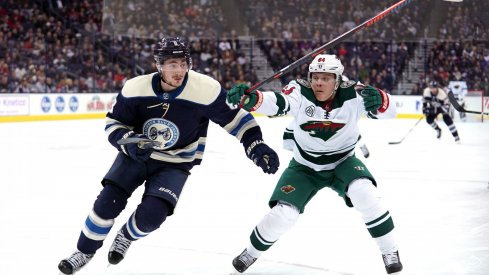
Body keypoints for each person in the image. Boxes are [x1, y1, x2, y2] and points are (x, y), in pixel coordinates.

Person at [57, 37, 280, 275]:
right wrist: (130, 144)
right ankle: (84, 252)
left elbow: (238, 120)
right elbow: (114, 123)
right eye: (172, 64)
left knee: (151, 218)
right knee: (106, 205)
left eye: (183, 63)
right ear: (159, 65)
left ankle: (125, 236)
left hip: (175, 163)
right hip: (135, 156)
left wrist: (256, 145)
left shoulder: (205, 89)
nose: (179, 70)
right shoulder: (135, 88)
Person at [226, 54, 403, 274]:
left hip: (343, 161)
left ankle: (389, 250)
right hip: (304, 166)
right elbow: (279, 103)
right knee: (283, 215)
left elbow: (392, 112)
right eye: (315, 77)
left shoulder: (354, 93)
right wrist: (255, 100)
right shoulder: (300, 91)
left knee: (364, 192)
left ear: (337, 80)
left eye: (325, 78)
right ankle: (251, 252)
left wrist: (382, 100)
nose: (318, 82)